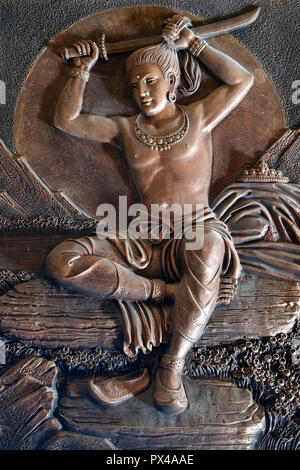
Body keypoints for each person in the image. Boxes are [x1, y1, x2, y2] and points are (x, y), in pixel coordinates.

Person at [46, 16, 253, 415]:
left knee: (209, 245)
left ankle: (171, 367)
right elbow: (65, 121)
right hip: (142, 235)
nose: (141, 91)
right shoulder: (126, 129)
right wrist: (81, 72)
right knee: (61, 262)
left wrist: (195, 43)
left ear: (171, 83)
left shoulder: (199, 118)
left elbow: (241, 82)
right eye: (134, 84)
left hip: (195, 230)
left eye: (150, 81)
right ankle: (167, 295)